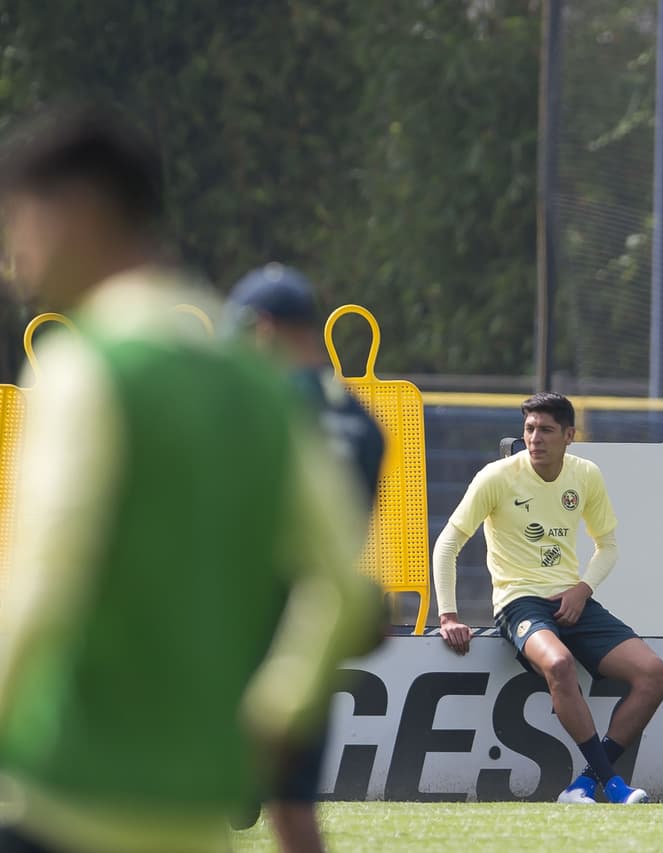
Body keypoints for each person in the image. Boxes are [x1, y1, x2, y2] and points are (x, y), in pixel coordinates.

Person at [0, 105, 379, 852]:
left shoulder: (88, 369)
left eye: (20, 220)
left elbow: (42, 585)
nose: (14, 252)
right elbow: (341, 581)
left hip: (61, 795)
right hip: (195, 816)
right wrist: (274, 712)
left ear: (78, 214)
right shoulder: (262, 385)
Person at [432, 392, 663, 805]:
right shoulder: (497, 476)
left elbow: (608, 545)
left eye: (545, 429)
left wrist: (583, 589)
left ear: (569, 435)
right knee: (558, 663)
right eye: (529, 428)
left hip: (571, 599)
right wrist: (449, 614)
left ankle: (582, 784)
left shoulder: (586, 475)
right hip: (518, 602)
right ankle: (613, 785)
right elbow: (448, 543)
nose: (535, 438)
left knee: (655, 675)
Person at [226, 263, 386, 852]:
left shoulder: (262, 401)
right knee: (296, 813)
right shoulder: (365, 423)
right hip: (317, 622)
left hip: (244, 617)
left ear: (263, 327)